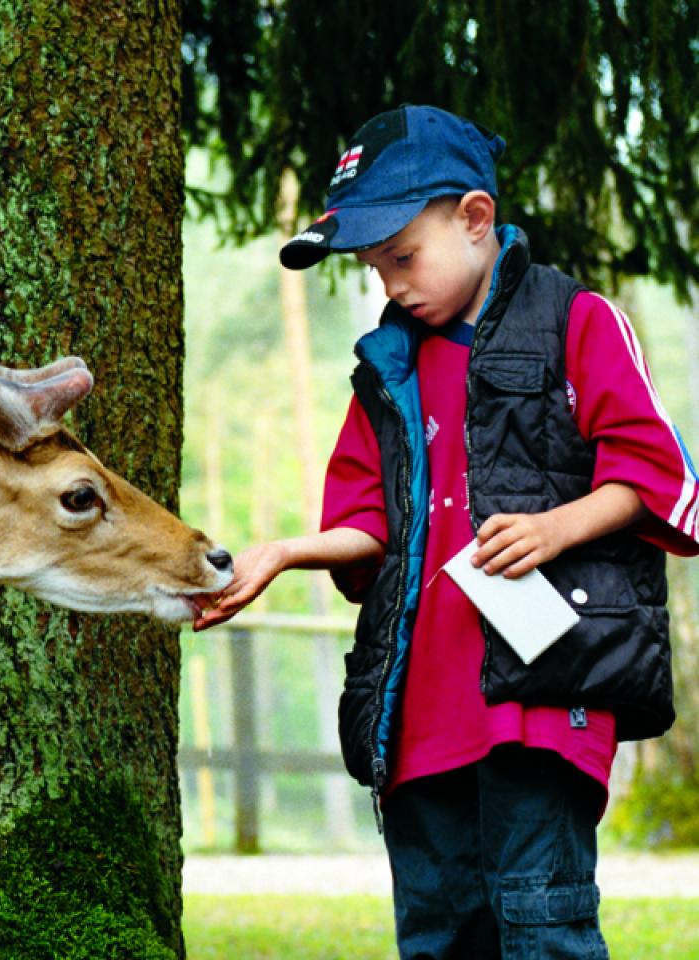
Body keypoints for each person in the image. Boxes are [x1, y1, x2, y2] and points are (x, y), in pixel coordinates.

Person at [195, 104, 698, 958]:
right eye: (372, 267)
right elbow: (366, 526)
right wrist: (282, 554)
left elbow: (666, 480)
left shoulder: (576, 321)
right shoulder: (385, 371)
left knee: (543, 930)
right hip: (414, 723)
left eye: (401, 256)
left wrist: (556, 527)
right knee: (436, 938)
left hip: (542, 705)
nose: (391, 284)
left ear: (474, 218)